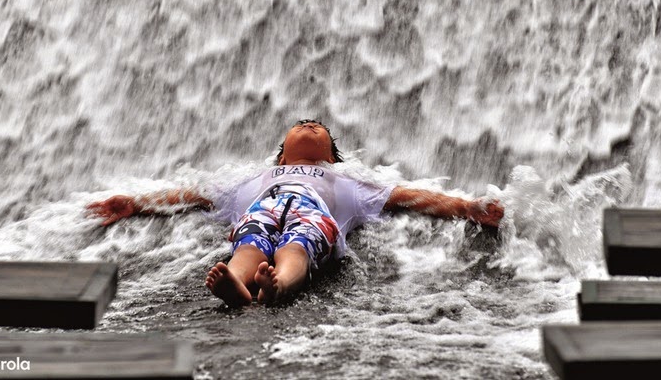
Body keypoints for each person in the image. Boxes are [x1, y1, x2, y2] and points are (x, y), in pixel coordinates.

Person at [86, 119, 504, 307]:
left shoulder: (349, 181)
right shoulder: (252, 179)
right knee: (250, 238)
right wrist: (136, 204)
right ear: (281, 154)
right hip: (262, 208)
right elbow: (193, 195)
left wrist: (466, 207)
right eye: (302, 125)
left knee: (300, 243)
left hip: (313, 212)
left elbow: (408, 196)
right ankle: (241, 281)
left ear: (331, 157)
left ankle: (280, 284)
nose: (309, 125)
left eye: (318, 128)